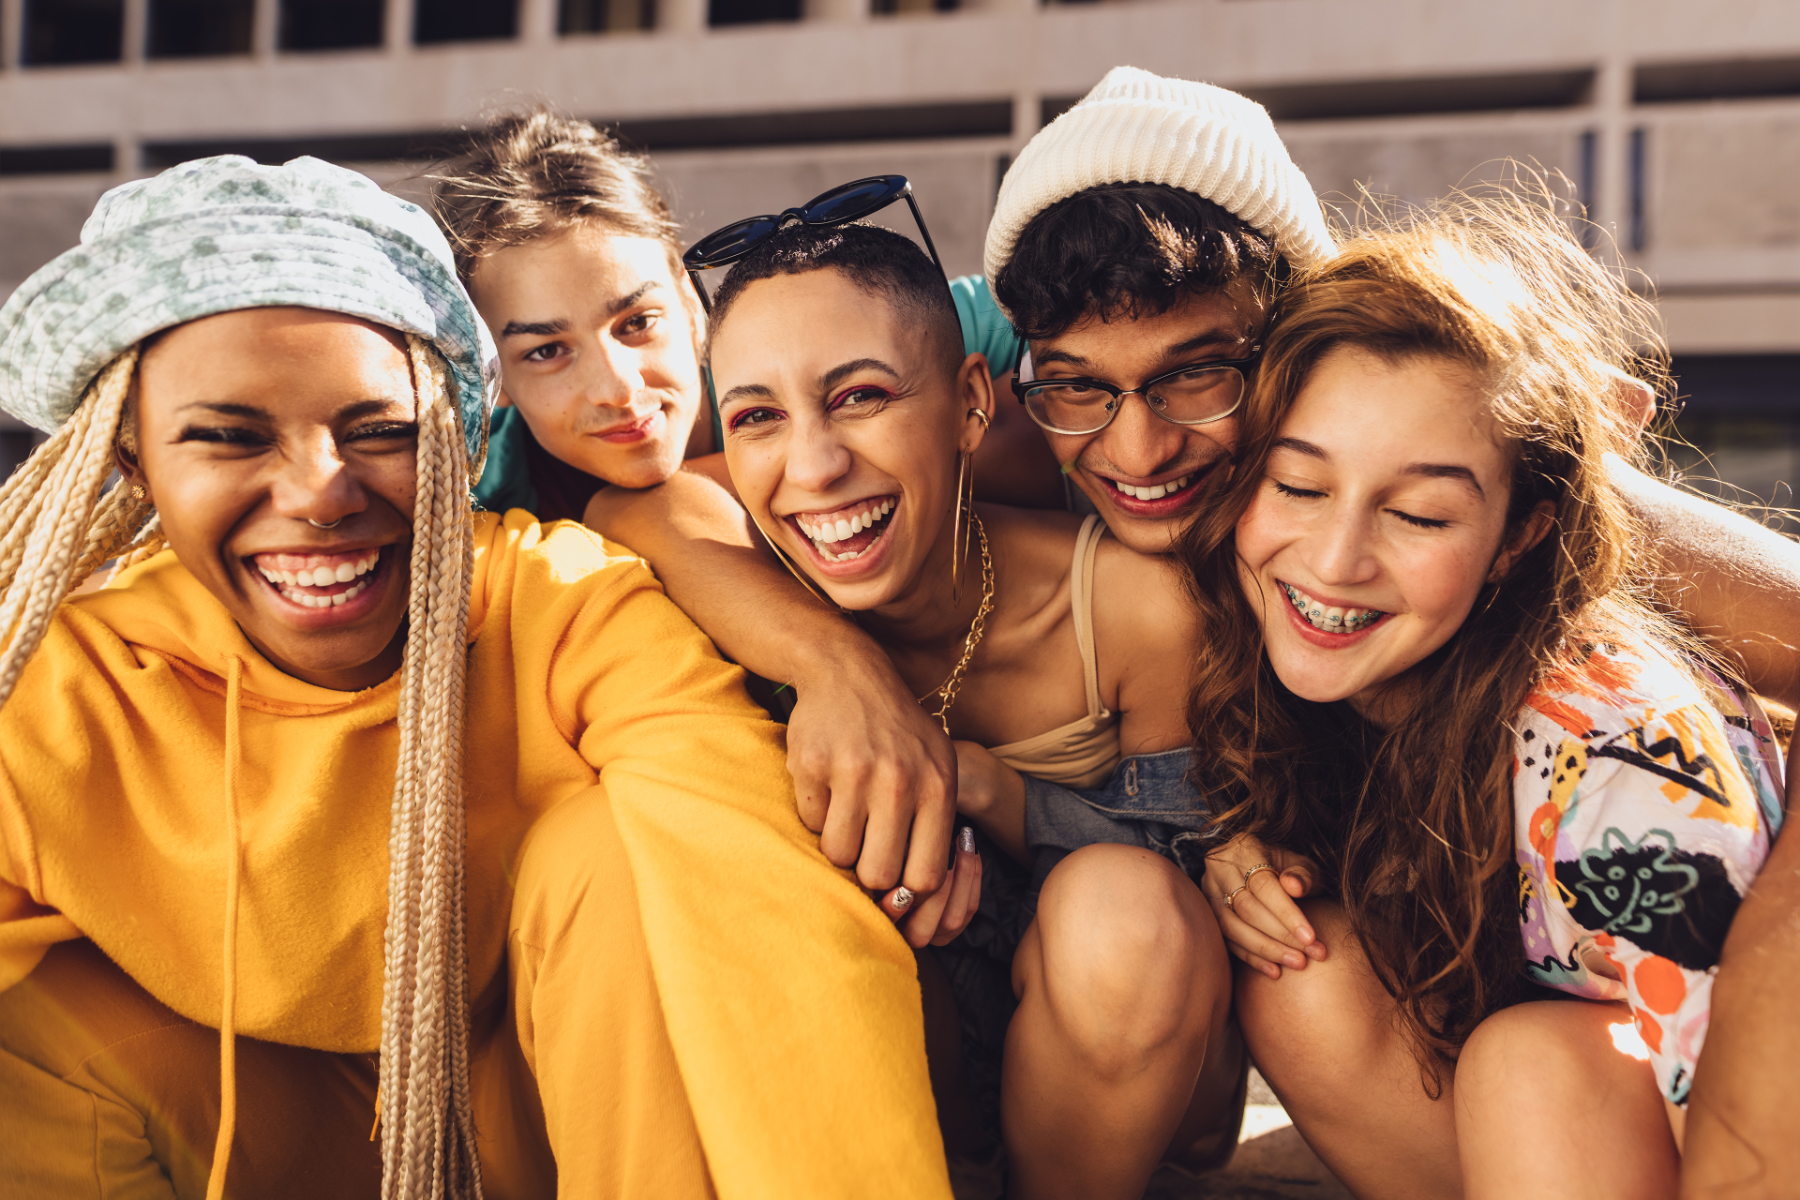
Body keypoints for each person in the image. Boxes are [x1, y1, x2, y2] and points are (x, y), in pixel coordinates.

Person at [0, 154, 953, 1199]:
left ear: (454, 440)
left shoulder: (558, 600)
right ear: (133, 461)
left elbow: (760, 888)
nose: (321, 494)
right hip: (257, 1135)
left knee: (620, 845)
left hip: (543, 1124)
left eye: (380, 433)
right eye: (229, 438)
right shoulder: (54, 682)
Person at [978, 68, 1800, 1187]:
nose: (1133, 453)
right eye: (1077, 387)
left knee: (1537, 1066)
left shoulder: (1489, 477)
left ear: (1296, 344)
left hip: (1629, 1015)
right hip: (1484, 991)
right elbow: (741, 402)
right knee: (1302, 975)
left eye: (1200, 376)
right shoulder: (1030, 416)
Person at [1178, 195, 1785, 1199]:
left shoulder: (1616, 763)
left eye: (1418, 514)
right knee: (1303, 972)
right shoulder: (1262, 654)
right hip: (1556, 1101)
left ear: (1519, 537)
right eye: (1298, 486)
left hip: (1705, 1105)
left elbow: (1751, 1114)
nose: (1333, 562)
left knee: (1533, 1067)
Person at [698, 218, 1244, 1200]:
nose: (813, 467)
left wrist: (978, 788)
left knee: (1123, 911)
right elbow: (635, 510)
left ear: (970, 405)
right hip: (903, 1069)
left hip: (1132, 1074)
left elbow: (1193, 884)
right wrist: (833, 670)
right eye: (756, 418)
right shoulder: (743, 588)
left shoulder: (1133, 610)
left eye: (859, 397)